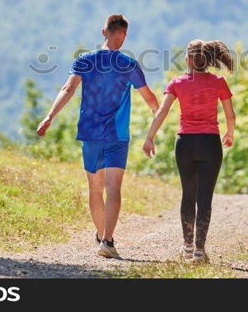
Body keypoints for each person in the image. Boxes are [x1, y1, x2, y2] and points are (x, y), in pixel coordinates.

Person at [37, 14, 159, 259]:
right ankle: (107, 240)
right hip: (117, 135)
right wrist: (158, 116)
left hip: (90, 133)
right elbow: (149, 97)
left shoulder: (85, 60)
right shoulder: (129, 64)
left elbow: (68, 89)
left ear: (104, 32)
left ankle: (101, 233)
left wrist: (50, 116)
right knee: (114, 188)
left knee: (95, 188)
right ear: (123, 35)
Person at [142, 39, 235, 263]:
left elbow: (162, 112)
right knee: (205, 198)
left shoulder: (177, 83)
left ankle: (186, 247)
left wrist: (149, 137)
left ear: (188, 60)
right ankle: (199, 251)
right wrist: (229, 133)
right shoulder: (218, 82)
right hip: (210, 144)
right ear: (208, 60)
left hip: (184, 144)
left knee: (188, 194)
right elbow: (230, 115)